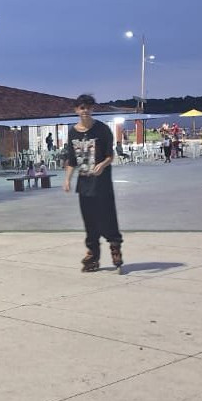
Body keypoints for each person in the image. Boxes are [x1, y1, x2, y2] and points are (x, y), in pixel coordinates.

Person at [63, 94, 123, 272]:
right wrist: (67, 179)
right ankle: (93, 254)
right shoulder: (73, 132)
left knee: (107, 216)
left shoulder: (102, 129)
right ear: (76, 110)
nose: (85, 111)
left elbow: (110, 156)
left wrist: (102, 165)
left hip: (102, 183)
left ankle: (115, 247)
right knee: (89, 221)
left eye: (88, 107)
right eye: (82, 108)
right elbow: (72, 160)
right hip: (84, 184)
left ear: (92, 109)